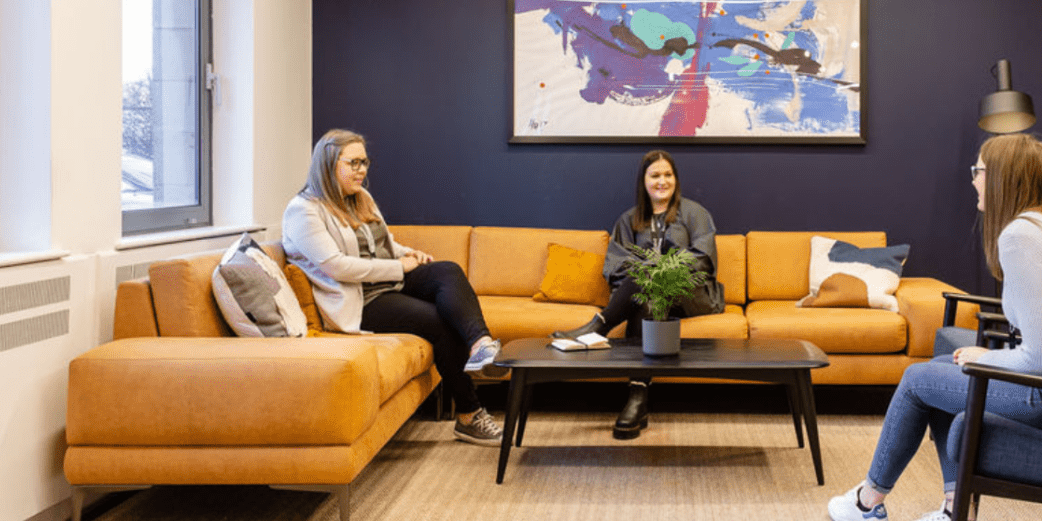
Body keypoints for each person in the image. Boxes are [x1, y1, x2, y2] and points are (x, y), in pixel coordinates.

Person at [827, 133, 1042, 521]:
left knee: (918, 379)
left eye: (979, 171)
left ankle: (867, 502)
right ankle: (958, 518)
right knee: (938, 374)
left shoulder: (1022, 236)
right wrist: (979, 359)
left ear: (1002, 177)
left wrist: (984, 357)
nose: (972, 180)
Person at [283, 129, 504, 446]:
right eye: (354, 162)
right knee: (439, 321)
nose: (362, 169)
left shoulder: (361, 198)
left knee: (447, 271)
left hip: (387, 279)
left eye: (365, 161)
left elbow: (383, 243)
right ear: (328, 164)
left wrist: (407, 253)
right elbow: (336, 265)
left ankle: (480, 344)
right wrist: (398, 266)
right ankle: (469, 414)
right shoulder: (304, 211)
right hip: (360, 300)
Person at [552, 150, 725, 439]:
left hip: (691, 294)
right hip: (649, 298)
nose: (662, 181)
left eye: (667, 175)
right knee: (645, 300)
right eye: (655, 175)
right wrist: (650, 272)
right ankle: (637, 399)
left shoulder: (696, 213)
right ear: (643, 181)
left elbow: (704, 259)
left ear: (676, 179)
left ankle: (600, 326)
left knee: (652, 275)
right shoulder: (628, 220)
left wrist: (663, 267)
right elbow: (617, 266)